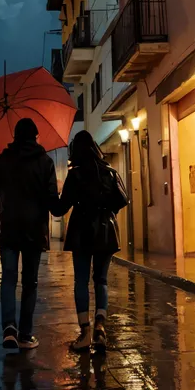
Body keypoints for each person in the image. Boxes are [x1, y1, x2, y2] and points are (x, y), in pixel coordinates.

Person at [0, 117, 58, 351]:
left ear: (15, 136)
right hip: (34, 230)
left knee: (8, 279)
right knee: (30, 282)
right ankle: (25, 335)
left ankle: (9, 329)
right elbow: (53, 203)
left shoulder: (5, 158)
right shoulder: (45, 162)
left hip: (8, 229)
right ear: (36, 137)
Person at [52, 130, 127, 353]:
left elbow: (60, 208)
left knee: (81, 282)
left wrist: (50, 196)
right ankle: (100, 329)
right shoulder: (110, 172)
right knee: (101, 280)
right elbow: (123, 199)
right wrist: (108, 212)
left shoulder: (75, 175)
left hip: (82, 232)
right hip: (105, 231)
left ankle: (85, 332)